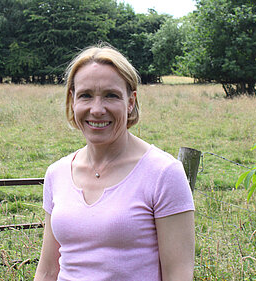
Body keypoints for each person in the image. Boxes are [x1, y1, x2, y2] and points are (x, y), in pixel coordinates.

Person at [34, 44, 195, 281]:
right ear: (73, 100)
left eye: (111, 95)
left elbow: (178, 274)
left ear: (130, 102)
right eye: (86, 95)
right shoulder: (57, 173)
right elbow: (48, 269)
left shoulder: (163, 173)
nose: (97, 109)